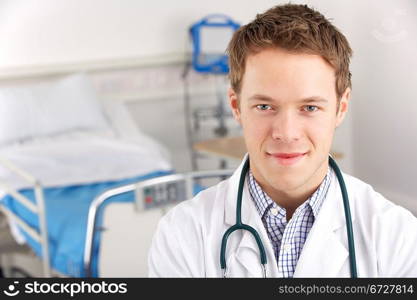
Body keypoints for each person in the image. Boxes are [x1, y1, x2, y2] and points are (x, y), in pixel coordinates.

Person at [148, 3, 417, 277]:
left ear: (341, 107)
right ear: (236, 106)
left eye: (310, 108)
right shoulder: (183, 234)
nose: (287, 133)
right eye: (265, 107)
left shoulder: (397, 236)